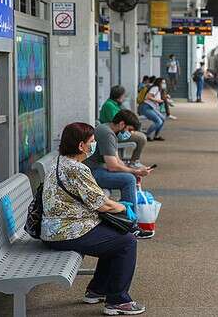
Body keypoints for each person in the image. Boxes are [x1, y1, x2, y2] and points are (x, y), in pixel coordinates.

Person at [42, 122, 146, 315]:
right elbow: (102, 205)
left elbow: (92, 198)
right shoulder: (77, 169)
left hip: (55, 229)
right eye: (92, 141)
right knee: (127, 241)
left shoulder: (58, 162)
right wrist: (124, 206)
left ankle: (97, 290)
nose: (94, 145)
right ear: (81, 146)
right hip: (66, 232)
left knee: (115, 237)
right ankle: (117, 301)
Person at [85, 110, 154, 234]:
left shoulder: (107, 129)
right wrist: (135, 172)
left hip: (94, 169)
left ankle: (129, 221)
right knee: (128, 180)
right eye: (129, 129)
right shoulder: (107, 134)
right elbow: (112, 166)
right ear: (122, 124)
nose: (130, 133)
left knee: (129, 177)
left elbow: (117, 161)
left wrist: (135, 171)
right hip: (91, 173)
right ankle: (131, 225)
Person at [99, 85, 147, 167]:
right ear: (118, 96)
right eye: (123, 96)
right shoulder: (109, 106)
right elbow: (117, 121)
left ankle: (134, 161)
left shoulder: (113, 104)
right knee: (141, 138)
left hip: (118, 131)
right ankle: (134, 162)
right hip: (116, 133)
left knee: (141, 136)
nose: (124, 98)